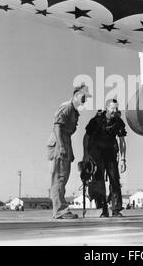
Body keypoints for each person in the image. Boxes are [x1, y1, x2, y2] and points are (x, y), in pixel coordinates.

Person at [47, 84, 92, 219]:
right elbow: (57, 127)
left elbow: (68, 133)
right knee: (59, 177)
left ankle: (60, 208)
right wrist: (61, 147)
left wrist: (70, 150)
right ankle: (60, 210)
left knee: (63, 177)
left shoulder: (74, 112)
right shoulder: (66, 106)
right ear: (76, 96)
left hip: (64, 142)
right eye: (84, 96)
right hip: (58, 143)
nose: (85, 99)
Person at [83, 99, 127, 217]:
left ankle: (116, 209)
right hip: (97, 156)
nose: (115, 111)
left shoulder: (119, 122)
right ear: (107, 108)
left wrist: (123, 159)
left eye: (116, 108)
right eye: (113, 108)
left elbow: (122, 141)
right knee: (99, 182)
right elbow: (86, 137)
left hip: (111, 155)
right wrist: (86, 154)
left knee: (115, 181)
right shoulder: (95, 121)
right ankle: (103, 209)